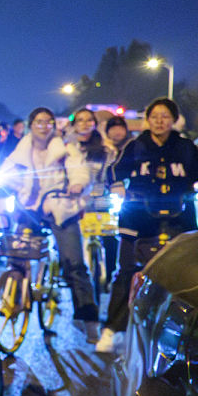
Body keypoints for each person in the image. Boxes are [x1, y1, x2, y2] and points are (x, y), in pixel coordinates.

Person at [96, 98, 198, 353]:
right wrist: (118, 185)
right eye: (154, 116)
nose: (160, 121)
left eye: (165, 116)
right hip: (137, 219)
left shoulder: (186, 147)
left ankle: (185, 334)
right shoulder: (136, 146)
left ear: (174, 120)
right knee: (127, 271)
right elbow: (113, 172)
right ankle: (113, 330)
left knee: (184, 276)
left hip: (179, 218)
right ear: (147, 120)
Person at [0, 106, 99, 338]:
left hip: (61, 207)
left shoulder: (65, 148)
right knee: (16, 254)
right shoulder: (21, 148)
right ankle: (12, 299)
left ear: (54, 125)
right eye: (39, 122)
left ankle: (88, 317)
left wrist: (77, 185)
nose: (43, 126)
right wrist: (11, 184)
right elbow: (7, 170)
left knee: (74, 263)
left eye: (48, 122)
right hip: (29, 208)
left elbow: (80, 172)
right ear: (30, 125)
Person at [69, 108, 118, 285]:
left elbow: (111, 175)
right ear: (73, 125)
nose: (84, 124)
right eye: (80, 120)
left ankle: (110, 274)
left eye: (89, 120)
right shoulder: (66, 148)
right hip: (73, 203)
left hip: (100, 201)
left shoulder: (106, 150)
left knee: (110, 239)